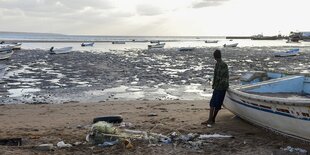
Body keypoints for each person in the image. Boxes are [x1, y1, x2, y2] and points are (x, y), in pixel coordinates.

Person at [202, 49, 229, 127]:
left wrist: (216, 85)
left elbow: (222, 77)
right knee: (213, 103)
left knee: (216, 104)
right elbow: (217, 76)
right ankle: (210, 119)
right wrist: (214, 85)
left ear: (214, 57)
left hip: (221, 87)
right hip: (218, 87)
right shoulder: (218, 64)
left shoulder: (222, 64)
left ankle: (212, 119)